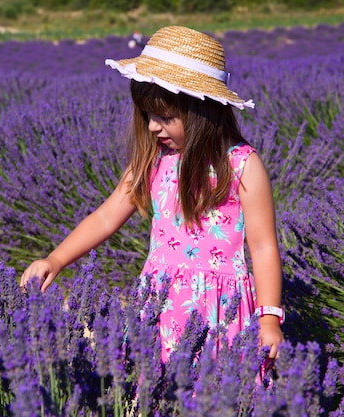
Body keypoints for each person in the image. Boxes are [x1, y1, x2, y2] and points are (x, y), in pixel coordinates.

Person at [21, 25, 284, 363]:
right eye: (147, 116)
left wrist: (269, 319)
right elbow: (105, 217)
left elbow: (262, 246)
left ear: (202, 113)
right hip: (160, 303)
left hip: (222, 309)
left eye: (165, 117)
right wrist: (55, 259)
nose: (152, 127)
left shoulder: (242, 165)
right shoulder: (152, 162)